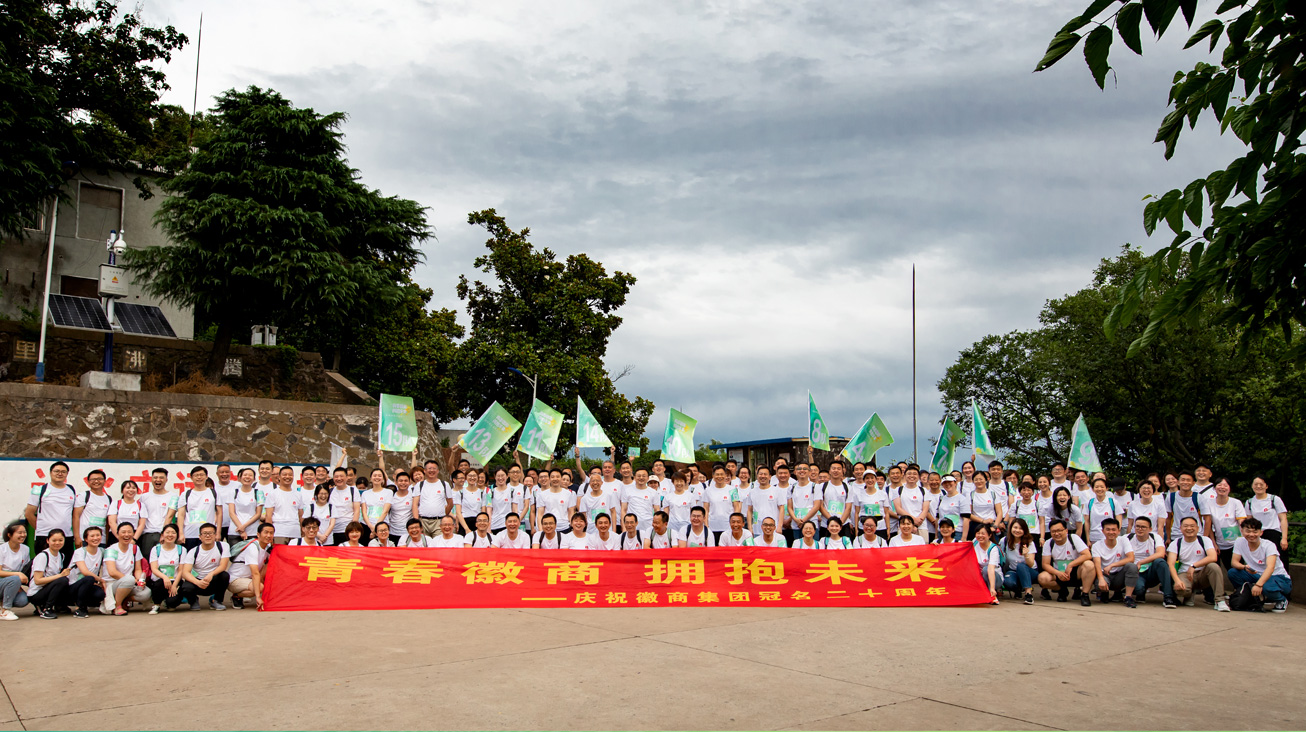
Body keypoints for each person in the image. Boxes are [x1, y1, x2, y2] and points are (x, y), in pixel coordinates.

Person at [1228, 517, 1291, 613]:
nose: (1251, 535)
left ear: (1261, 532)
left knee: (1266, 587)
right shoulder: (1239, 541)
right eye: (1248, 531)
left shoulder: (1269, 545)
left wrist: (1258, 585)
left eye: (1255, 532)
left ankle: (1281, 600)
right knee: (1233, 573)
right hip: (1256, 574)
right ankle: (1250, 597)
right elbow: (1234, 562)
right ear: (1242, 531)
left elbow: (1270, 568)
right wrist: (1244, 567)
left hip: (1278, 577)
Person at [1166, 516, 1228, 611]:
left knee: (1214, 566)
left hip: (1203, 574)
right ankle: (1189, 594)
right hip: (1185, 574)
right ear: (1180, 528)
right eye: (1186, 526)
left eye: (1192, 526)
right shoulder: (1176, 543)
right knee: (1180, 590)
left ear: (1198, 528)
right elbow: (1171, 564)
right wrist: (1177, 581)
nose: (1189, 528)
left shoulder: (1204, 540)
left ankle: (1220, 601)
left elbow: (1213, 557)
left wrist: (1194, 566)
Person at [25, 460, 76, 562]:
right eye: (56, 471)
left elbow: (74, 514)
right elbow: (29, 514)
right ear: (50, 472)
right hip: (45, 537)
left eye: (63, 472)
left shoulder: (71, 490)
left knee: (65, 566)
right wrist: (41, 529)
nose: (60, 474)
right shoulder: (40, 490)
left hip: (66, 537)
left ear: (67, 474)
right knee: (45, 565)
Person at [1039, 519, 1094, 606]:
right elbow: (1045, 564)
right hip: (1059, 573)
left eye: (1059, 530)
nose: (1056, 533)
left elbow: (1087, 555)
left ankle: (1085, 594)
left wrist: (1071, 565)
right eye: (1053, 531)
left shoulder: (1073, 538)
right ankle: (1062, 591)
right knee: (1042, 577)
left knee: (1089, 565)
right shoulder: (1048, 543)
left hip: (1075, 572)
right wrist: (1057, 573)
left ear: (1066, 530)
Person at [101, 521, 151, 615]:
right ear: (117, 534)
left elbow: (138, 569)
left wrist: (140, 580)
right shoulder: (111, 550)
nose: (126, 535)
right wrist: (132, 580)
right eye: (123, 532)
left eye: (129, 532)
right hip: (112, 584)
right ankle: (118, 606)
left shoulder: (135, 548)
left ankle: (123, 599)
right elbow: (112, 572)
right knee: (129, 579)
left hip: (129, 583)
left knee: (146, 593)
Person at [179, 523, 230, 611]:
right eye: (205, 533)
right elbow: (185, 572)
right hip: (198, 581)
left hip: (213, 580)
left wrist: (211, 574)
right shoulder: (193, 551)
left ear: (215, 535)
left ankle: (217, 600)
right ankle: (193, 601)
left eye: (210, 533)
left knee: (224, 575)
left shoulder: (223, 546)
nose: (208, 536)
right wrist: (198, 582)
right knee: (186, 587)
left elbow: (223, 566)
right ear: (200, 537)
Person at [1091, 518, 1138, 607]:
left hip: (1119, 575)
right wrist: (1101, 579)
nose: (1111, 532)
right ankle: (1103, 592)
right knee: (1099, 585)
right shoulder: (1096, 545)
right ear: (1103, 531)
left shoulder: (1124, 540)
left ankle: (1128, 597)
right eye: (1108, 529)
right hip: (1105, 575)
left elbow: (1131, 558)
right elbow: (1097, 564)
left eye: (1113, 530)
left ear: (1118, 531)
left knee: (1132, 566)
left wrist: (1112, 565)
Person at [228, 522, 275, 610]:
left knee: (271, 563)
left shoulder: (267, 547)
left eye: (271, 533)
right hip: (235, 579)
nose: (269, 535)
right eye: (266, 532)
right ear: (258, 534)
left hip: (249, 579)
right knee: (260, 587)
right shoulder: (253, 547)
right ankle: (236, 596)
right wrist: (258, 597)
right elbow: (255, 573)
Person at [1127, 516, 1172, 606]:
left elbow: (1161, 553)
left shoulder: (1155, 537)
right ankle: (1140, 593)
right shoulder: (1127, 538)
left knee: (1160, 562)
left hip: (1151, 571)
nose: (1140, 529)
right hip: (1135, 572)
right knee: (1139, 590)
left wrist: (1141, 562)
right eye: (1137, 526)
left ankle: (1168, 597)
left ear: (1150, 529)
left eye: (1143, 527)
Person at [1202, 478, 1246, 568]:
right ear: (1214, 488)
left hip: (1236, 543)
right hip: (1219, 543)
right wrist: (1213, 543)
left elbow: (1242, 523)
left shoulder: (1236, 503)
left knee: (1236, 568)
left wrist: (1245, 540)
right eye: (1219, 485)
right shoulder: (1208, 503)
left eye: (1225, 485)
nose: (1222, 487)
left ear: (1229, 489)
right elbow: (1208, 524)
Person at [27, 528, 70, 619]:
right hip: (36, 593)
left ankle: (57, 606)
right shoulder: (42, 556)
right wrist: (60, 575)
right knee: (62, 580)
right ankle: (47, 609)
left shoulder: (61, 555)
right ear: (47, 541)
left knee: (66, 582)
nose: (57, 543)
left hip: (47, 589)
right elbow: (38, 580)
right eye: (54, 540)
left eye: (60, 540)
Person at [178, 466, 223, 550]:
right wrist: (180, 533)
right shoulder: (185, 494)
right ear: (191, 478)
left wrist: (218, 532)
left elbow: (219, 513)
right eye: (196, 475)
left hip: (208, 535)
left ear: (206, 477)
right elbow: (181, 515)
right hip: (189, 534)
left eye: (201, 475)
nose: (199, 477)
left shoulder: (214, 493)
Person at [138, 468, 178, 560]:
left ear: (166, 480)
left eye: (161, 478)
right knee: (147, 561)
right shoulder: (144, 497)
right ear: (151, 479)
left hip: (165, 534)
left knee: (165, 561)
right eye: (155, 477)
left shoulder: (173, 496)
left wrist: (164, 534)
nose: (158, 480)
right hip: (147, 534)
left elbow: (170, 516)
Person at [68, 526, 107, 618]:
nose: (95, 538)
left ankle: (85, 603)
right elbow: (85, 572)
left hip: (89, 584)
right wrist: (101, 580)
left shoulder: (102, 551)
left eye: (98, 535)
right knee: (89, 578)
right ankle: (80, 608)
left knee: (100, 594)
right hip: (74, 585)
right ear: (86, 539)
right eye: (92, 536)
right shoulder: (80, 552)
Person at [146, 524, 186, 614]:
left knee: (172, 603)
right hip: (160, 581)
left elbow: (181, 570)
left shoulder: (182, 550)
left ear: (177, 535)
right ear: (162, 535)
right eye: (167, 532)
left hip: (175, 580)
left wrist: (174, 585)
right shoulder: (156, 549)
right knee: (159, 584)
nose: (170, 535)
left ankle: (168, 602)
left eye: (173, 533)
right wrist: (165, 577)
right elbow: (154, 569)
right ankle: (156, 604)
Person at [1246, 475, 1289, 554]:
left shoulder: (1274, 499)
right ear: (1252, 486)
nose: (1258, 486)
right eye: (1256, 484)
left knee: (1277, 558)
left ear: (1266, 486)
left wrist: (1284, 538)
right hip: (1258, 535)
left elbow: (1283, 519)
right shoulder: (1249, 502)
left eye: (1261, 484)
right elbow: (1249, 522)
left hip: (1274, 534)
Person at [71, 469, 113, 550]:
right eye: (93, 479)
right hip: (85, 539)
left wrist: (107, 540)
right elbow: (76, 516)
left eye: (99, 479)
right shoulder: (84, 496)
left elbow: (107, 522)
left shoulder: (108, 498)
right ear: (88, 482)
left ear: (105, 481)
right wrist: (77, 537)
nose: (96, 481)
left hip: (101, 539)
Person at [265, 466, 305, 545]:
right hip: (279, 532)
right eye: (284, 474)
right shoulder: (273, 493)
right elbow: (268, 516)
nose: (287, 477)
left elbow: (301, 515)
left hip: (295, 533)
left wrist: (303, 532)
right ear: (279, 477)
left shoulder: (298, 494)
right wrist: (269, 534)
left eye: (290, 474)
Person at [1001, 518, 1037, 605]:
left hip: (1029, 571)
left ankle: (1028, 594)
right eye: (1015, 527)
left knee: (1021, 566)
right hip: (1013, 570)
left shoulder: (1029, 542)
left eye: (1020, 528)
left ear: (1024, 530)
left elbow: (1031, 564)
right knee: (1008, 582)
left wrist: (1026, 555)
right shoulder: (1004, 541)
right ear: (1010, 528)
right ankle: (1018, 590)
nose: (1017, 530)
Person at [0, 522, 32, 620]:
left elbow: (25, 570)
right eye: (19, 532)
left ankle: (1, 604)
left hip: (13, 582)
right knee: (15, 579)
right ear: (9, 535)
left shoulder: (25, 549)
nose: (23, 535)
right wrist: (17, 576)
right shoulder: (2, 549)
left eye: (24, 532)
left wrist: (16, 583)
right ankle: (5, 610)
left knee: (23, 600)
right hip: (2, 581)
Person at [704, 466, 741, 544]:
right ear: (713, 476)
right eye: (717, 474)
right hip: (713, 526)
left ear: (725, 475)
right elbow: (706, 509)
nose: (719, 476)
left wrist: (736, 523)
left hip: (728, 526)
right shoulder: (708, 490)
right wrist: (706, 525)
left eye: (722, 474)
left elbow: (736, 507)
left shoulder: (733, 490)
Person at [786, 463, 821, 545]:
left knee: (813, 547)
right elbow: (789, 507)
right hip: (796, 524)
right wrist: (796, 520)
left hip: (811, 524)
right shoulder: (791, 488)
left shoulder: (815, 487)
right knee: (798, 547)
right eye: (799, 469)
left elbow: (816, 506)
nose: (802, 471)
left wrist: (804, 521)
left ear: (809, 472)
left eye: (805, 469)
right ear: (795, 472)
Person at [1165, 471, 1205, 542]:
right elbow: (1168, 518)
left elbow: (1207, 519)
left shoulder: (1199, 497)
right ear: (1178, 482)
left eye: (1188, 480)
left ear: (1193, 483)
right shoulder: (1171, 497)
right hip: (1176, 535)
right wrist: (1168, 537)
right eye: (1183, 480)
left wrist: (1205, 538)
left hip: (1196, 535)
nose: (1185, 482)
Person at [228, 469, 265, 543]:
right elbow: (232, 513)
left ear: (254, 479)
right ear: (240, 478)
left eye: (250, 475)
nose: (247, 477)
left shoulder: (259, 493)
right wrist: (241, 529)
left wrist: (243, 527)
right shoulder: (233, 492)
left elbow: (258, 514)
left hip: (252, 531)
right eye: (245, 475)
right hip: (235, 531)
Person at [659, 471, 700, 536]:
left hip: (686, 524)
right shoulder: (668, 497)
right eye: (677, 481)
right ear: (673, 482)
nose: (679, 483)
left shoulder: (690, 496)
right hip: (672, 525)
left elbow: (693, 512)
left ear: (685, 482)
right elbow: (666, 513)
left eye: (681, 481)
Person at [106, 479, 145, 547]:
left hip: (133, 536)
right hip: (116, 537)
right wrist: (120, 538)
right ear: (122, 491)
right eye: (128, 488)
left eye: (133, 488)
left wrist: (134, 540)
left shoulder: (141, 505)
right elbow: (112, 522)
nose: (131, 490)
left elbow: (142, 524)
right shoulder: (116, 503)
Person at [1083, 477, 1124, 543]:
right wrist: (1088, 540)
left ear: (1106, 488)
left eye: (1102, 487)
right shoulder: (1088, 503)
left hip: (1110, 537)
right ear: (1092, 489)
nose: (1099, 489)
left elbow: (1119, 520)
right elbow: (1087, 522)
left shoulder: (1113, 502)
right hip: (1094, 538)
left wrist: (1115, 535)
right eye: (1096, 487)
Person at [965, 471, 1003, 540]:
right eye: (976, 480)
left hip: (991, 526)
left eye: (981, 479)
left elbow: (999, 512)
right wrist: (983, 521)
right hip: (976, 526)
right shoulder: (970, 495)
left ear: (986, 480)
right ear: (973, 481)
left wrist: (994, 526)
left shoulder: (993, 494)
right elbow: (968, 513)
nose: (979, 481)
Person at [535, 470, 575, 534]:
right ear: (549, 479)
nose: (555, 479)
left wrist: (572, 527)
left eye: (557, 476)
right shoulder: (542, 494)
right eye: (552, 477)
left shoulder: (568, 494)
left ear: (561, 478)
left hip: (564, 527)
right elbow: (540, 514)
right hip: (548, 527)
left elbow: (571, 512)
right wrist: (540, 530)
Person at [972, 525, 1001, 605]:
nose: (980, 536)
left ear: (989, 535)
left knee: (986, 569)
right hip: (980, 576)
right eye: (978, 533)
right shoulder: (975, 544)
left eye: (983, 533)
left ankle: (991, 594)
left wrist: (992, 588)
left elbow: (991, 569)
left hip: (994, 578)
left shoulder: (993, 548)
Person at [387, 471, 417, 541]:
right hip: (393, 531)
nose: (403, 483)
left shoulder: (413, 495)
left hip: (408, 532)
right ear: (396, 482)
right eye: (401, 481)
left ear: (409, 482)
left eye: (406, 481)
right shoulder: (391, 496)